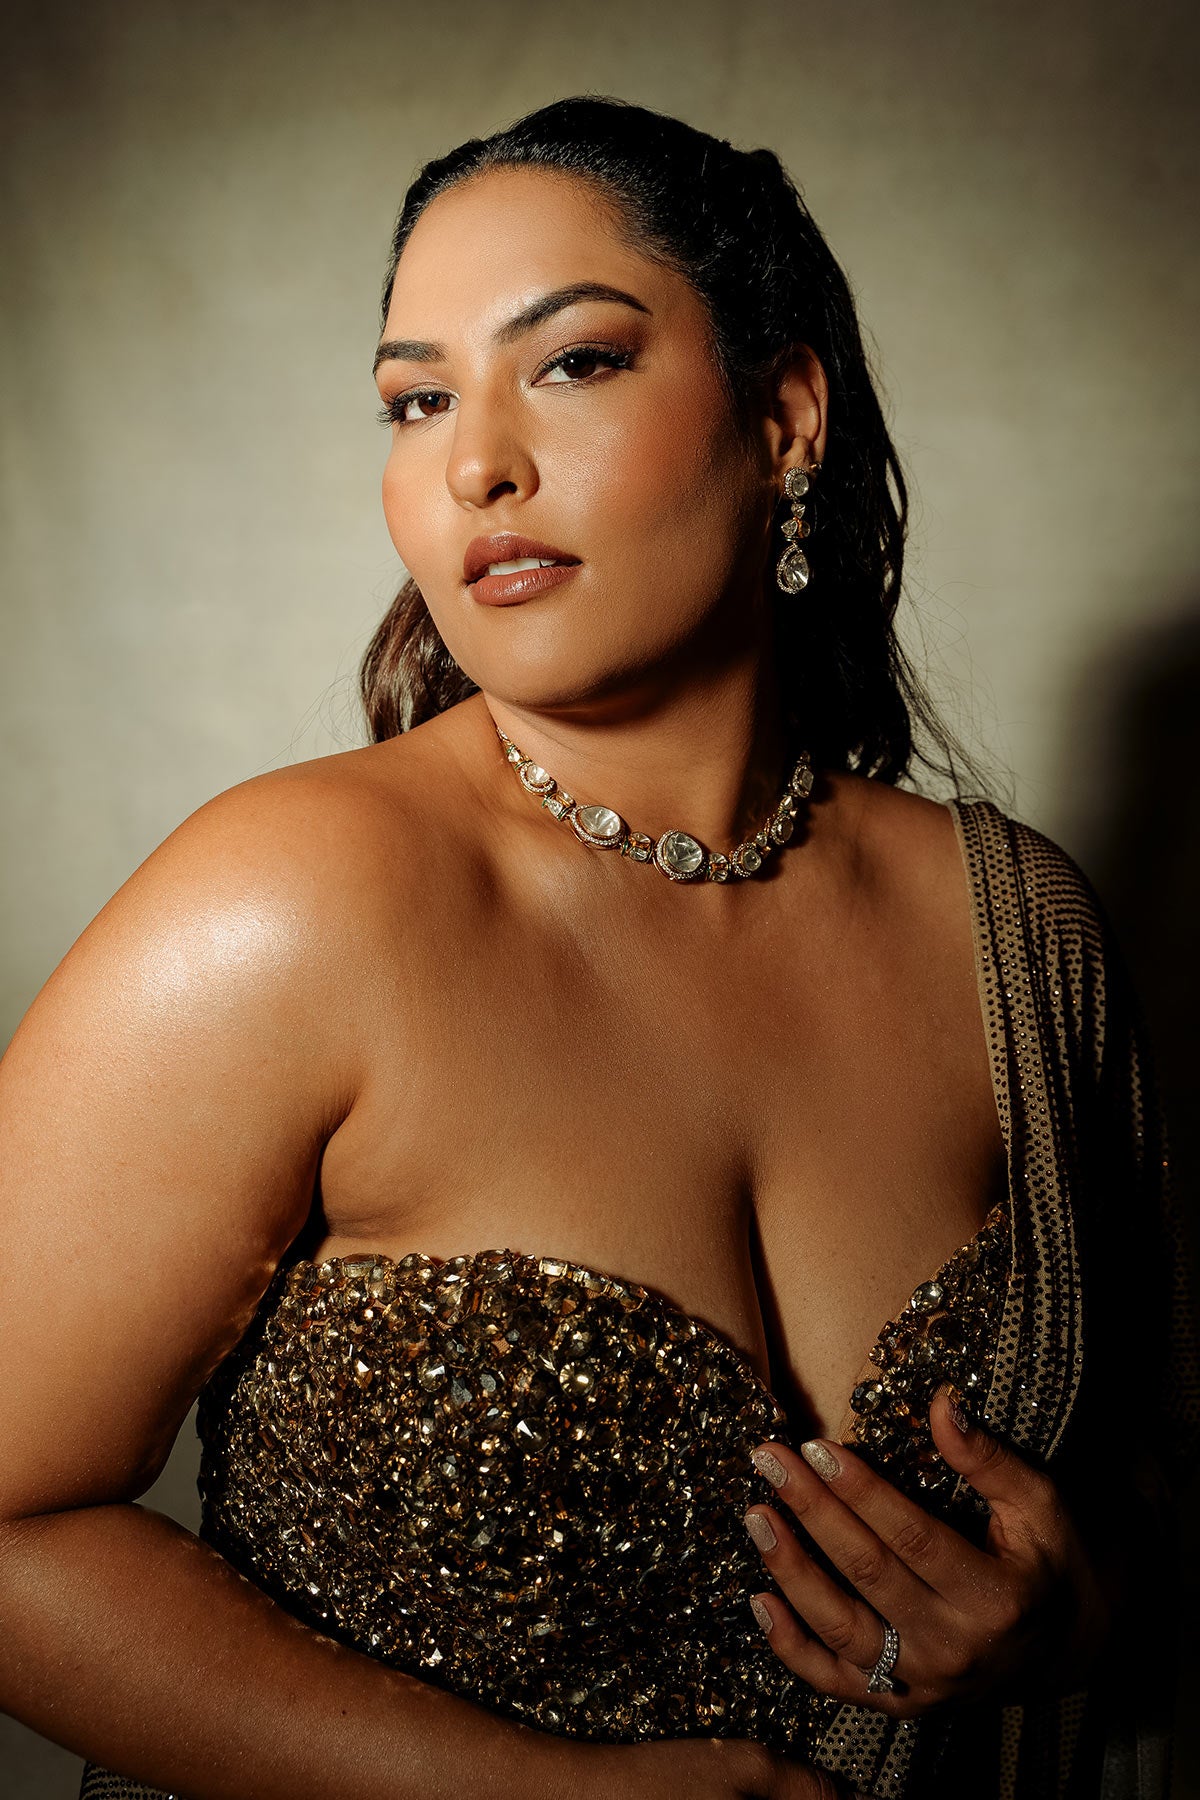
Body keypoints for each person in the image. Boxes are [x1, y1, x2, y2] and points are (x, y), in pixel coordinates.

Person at [0, 93, 1194, 1800]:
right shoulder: (293, 902)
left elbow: (1154, 1472)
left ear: (785, 418)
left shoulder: (1019, 933)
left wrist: (1074, 1611)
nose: (474, 463)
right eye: (418, 400)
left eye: (572, 363)